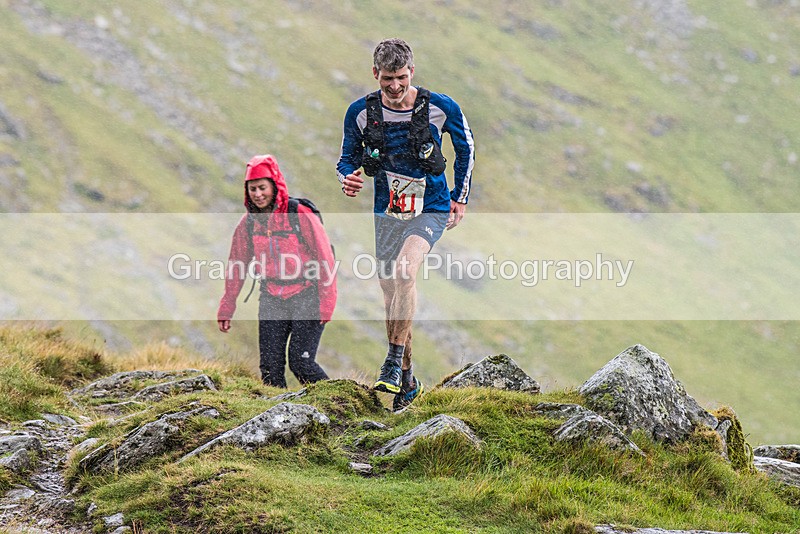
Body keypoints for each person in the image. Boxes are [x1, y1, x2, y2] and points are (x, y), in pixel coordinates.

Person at [336, 38, 475, 411]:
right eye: (386, 80)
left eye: (400, 78)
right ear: (375, 75)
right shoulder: (361, 113)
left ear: (411, 72)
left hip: (431, 205)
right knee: (390, 292)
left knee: (405, 271)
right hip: (389, 209)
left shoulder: (440, 107)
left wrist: (460, 198)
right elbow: (346, 158)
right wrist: (348, 176)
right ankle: (408, 382)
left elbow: (467, 148)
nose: (394, 87)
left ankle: (393, 359)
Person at [218, 154, 337, 388]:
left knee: (301, 363)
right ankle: (278, 420)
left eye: (262, 187)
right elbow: (237, 264)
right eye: (252, 189)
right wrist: (227, 303)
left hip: (307, 294)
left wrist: (328, 299)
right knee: (270, 369)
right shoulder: (249, 222)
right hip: (271, 296)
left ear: (274, 186)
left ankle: (340, 405)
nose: (258, 194)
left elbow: (325, 257)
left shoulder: (299, 213)